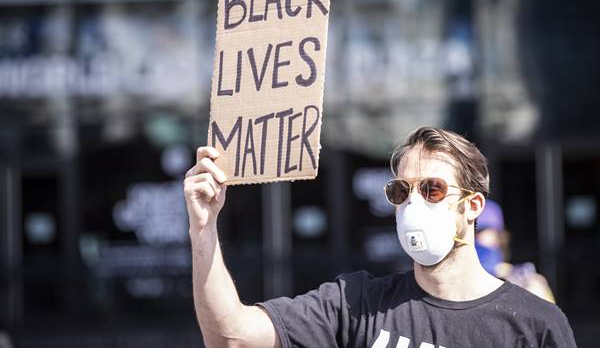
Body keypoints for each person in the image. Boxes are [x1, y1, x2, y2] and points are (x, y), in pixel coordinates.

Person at [184, 126, 577, 347]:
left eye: (433, 189)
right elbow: (230, 336)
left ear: (472, 206)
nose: (413, 204)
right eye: (400, 191)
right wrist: (203, 228)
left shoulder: (534, 324)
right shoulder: (356, 304)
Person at [475, 199, 556, 303]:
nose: (473, 238)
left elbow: (547, 316)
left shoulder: (526, 279)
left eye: (479, 232)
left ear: (498, 237)